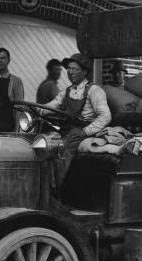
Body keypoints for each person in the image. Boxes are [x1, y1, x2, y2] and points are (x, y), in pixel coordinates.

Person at [42, 53, 111, 190]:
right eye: (69, 69)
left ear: (84, 72)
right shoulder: (66, 92)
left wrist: (85, 131)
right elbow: (52, 105)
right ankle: (48, 190)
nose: (70, 72)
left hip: (81, 132)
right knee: (44, 147)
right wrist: (37, 110)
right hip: (67, 131)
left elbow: (105, 116)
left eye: (74, 69)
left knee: (62, 151)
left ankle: (60, 192)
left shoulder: (94, 90)